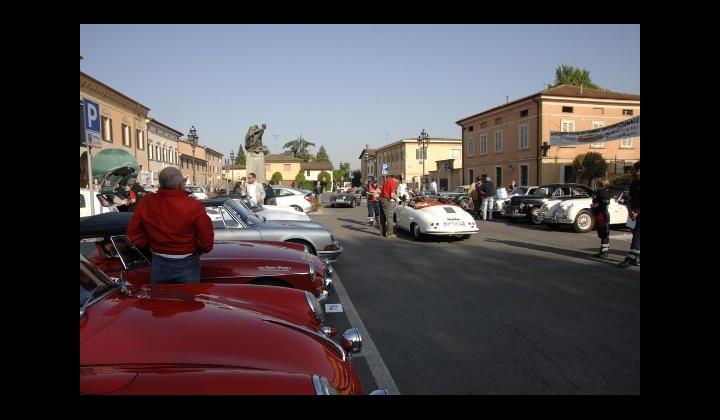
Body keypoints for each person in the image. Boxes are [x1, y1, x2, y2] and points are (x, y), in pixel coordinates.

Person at [127, 167, 214, 284]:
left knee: (161, 299)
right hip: (187, 261)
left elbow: (133, 232)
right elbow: (206, 238)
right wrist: (198, 250)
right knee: (188, 300)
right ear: (180, 184)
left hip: (159, 260)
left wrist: (150, 245)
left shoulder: (147, 202)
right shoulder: (194, 205)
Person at [619, 161, 640, 268]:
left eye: (632, 169)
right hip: (633, 214)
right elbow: (630, 199)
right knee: (635, 234)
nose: (630, 170)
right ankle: (636, 257)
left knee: (637, 235)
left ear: (638, 170)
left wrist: (637, 212)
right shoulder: (634, 183)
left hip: (638, 213)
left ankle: (631, 257)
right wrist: (630, 210)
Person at [591, 178, 612, 259]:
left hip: (602, 215)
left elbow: (606, 201)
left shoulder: (602, 191)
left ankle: (604, 252)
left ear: (600, 183)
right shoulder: (602, 191)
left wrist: (596, 205)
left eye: (597, 182)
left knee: (604, 234)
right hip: (601, 214)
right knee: (603, 234)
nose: (596, 183)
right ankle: (603, 251)